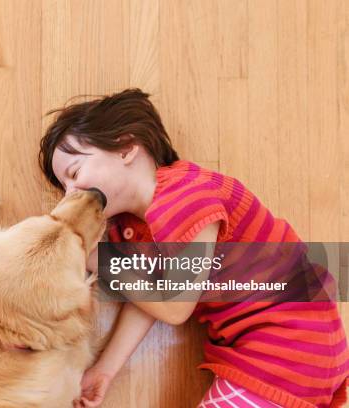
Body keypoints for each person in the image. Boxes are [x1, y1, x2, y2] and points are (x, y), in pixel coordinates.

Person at [38, 88, 348, 407]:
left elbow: (174, 304)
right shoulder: (134, 229)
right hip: (289, 351)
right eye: (64, 188)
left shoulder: (185, 197)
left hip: (288, 346)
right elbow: (151, 296)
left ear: (126, 148)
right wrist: (105, 369)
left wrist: (90, 256)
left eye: (74, 174)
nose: (70, 195)